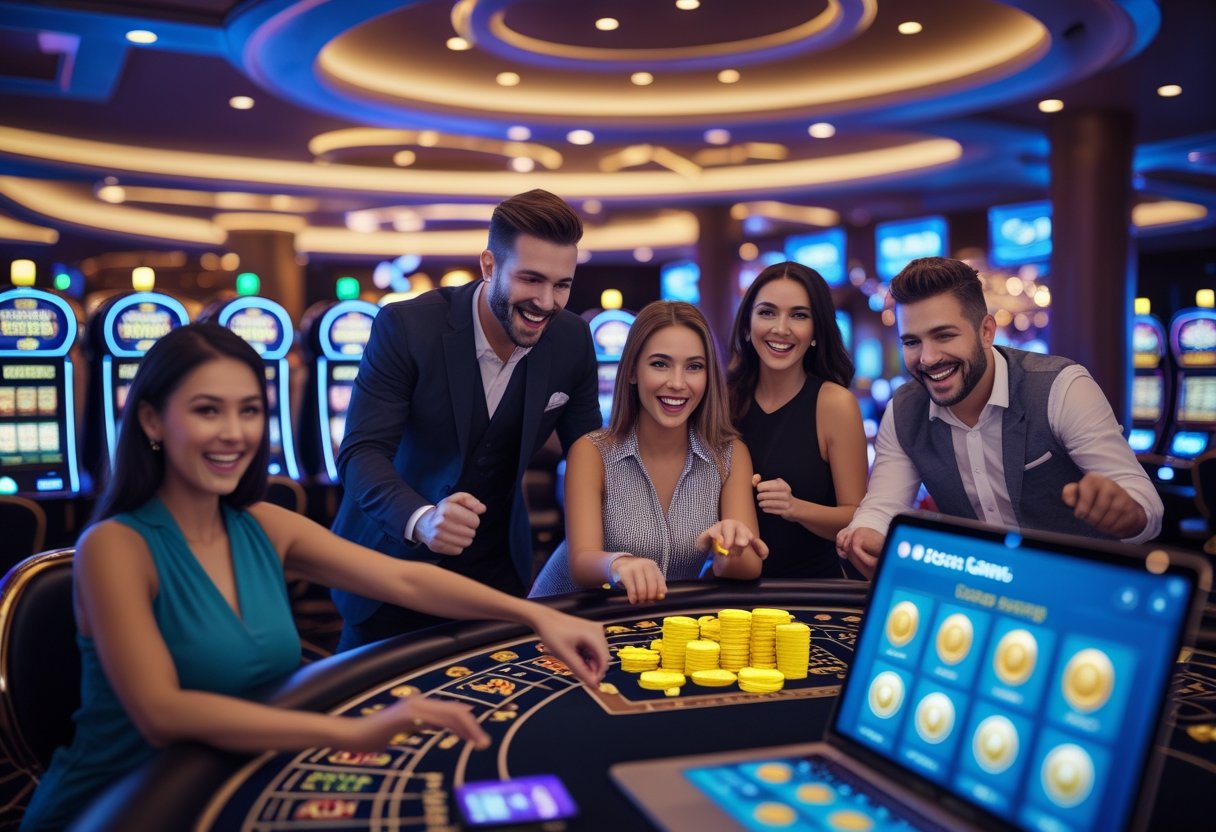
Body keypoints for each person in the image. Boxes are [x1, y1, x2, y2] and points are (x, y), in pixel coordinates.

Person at [19, 324, 609, 832]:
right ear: (151, 419)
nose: (234, 433)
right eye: (207, 410)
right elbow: (162, 712)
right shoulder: (115, 547)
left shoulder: (266, 526)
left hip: (233, 782)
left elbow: (407, 583)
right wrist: (352, 732)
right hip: (122, 807)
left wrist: (536, 614)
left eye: (249, 410)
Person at [329, 189, 602, 649]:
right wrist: (423, 519)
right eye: (531, 279)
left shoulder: (572, 339)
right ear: (489, 266)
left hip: (496, 577)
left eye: (562, 285)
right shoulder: (408, 327)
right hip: (392, 569)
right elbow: (361, 453)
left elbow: (593, 452)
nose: (547, 302)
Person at [835, 257, 1164, 578]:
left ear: (986, 331)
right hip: (987, 596)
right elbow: (882, 506)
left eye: (944, 335)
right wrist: (866, 532)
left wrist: (1126, 512)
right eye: (912, 341)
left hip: (1085, 594)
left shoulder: (1062, 386)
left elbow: (1146, 505)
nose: (928, 357)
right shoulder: (905, 410)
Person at [529, 301, 768, 604]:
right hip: (563, 622)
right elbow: (581, 563)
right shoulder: (592, 451)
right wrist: (618, 564)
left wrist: (728, 547)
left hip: (648, 629)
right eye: (660, 364)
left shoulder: (731, 454)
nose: (678, 383)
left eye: (694, 367)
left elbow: (747, 568)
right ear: (631, 371)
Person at [727, 261, 868, 578]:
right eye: (767, 312)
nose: (781, 328)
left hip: (811, 596)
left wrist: (796, 508)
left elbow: (857, 518)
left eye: (799, 315)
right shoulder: (723, 399)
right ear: (748, 325)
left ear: (816, 330)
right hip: (729, 592)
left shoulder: (835, 404)